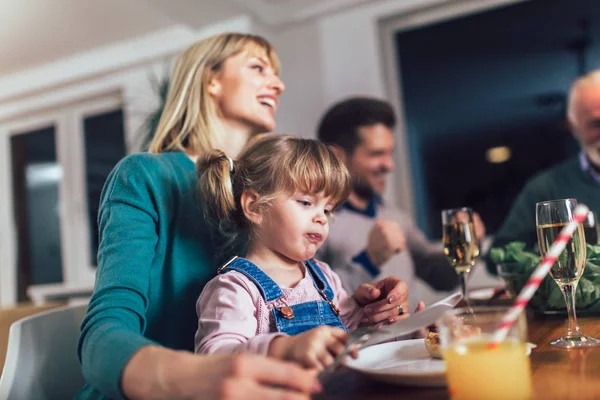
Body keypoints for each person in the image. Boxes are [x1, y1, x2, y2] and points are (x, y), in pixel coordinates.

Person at [75, 32, 324, 400]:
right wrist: (188, 375)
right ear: (211, 80)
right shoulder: (145, 176)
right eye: (258, 68)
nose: (279, 84)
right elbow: (103, 331)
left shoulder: (267, 196)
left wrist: (356, 306)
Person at [195, 134, 420, 370]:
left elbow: (357, 345)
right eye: (305, 203)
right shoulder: (235, 287)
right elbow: (214, 358)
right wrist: (284, 348)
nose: (321, 218)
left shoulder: (324, 278)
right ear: (254, 207)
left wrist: (401, 327)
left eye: (328, 209)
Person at [316, 97, 486, 307]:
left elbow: (442, 278)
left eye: (390, 153)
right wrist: (369, 260)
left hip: (416, 339)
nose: (389, 165)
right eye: (377, 154)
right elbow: (311, 301)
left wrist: (468, 242)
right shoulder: (315, 220)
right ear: (337, 156)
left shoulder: (394, 215)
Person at [489, 69, 600, 272]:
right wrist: (556, 267)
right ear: (573, 127)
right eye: (596, 124)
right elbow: (498, 256)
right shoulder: (544, 187)